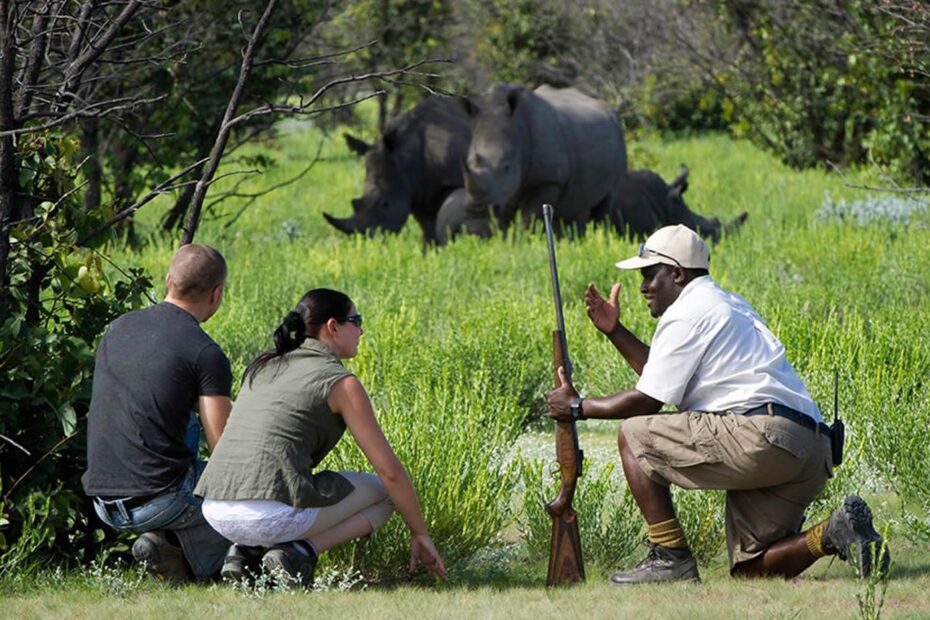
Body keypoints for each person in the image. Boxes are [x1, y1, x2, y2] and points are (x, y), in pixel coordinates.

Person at [548, 225, 889, 585]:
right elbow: (661, 377)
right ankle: (835, 531)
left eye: (650, 275)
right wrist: (615, 332)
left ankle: (670, 557)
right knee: (751, 569)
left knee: (634, 434)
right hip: (811, 447)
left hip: (759, 437)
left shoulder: (685, 313)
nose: (643, 286)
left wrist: (576, 407)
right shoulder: (728, 303)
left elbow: (647, 399)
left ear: (677, 274)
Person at [195, 288, 447, 585]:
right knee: (384, 493)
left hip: (215, 510)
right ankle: (299, 553)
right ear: (333, 326)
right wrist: (420, 533)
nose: (362, 330)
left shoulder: (262, 366)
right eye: (357, 320)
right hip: (267, 515)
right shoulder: (341, 382)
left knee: (286, 483)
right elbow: (390, 471)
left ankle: (244, 552)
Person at [82, 244, 233, 583]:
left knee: (185, 422)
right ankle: (211, 565)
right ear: (216, 294)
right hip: (160, 500)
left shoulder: (117, 329)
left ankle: (165, 547)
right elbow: (223, 450)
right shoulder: (205, 352)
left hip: (103, 501)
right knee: (243, 491)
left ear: (168, 281)